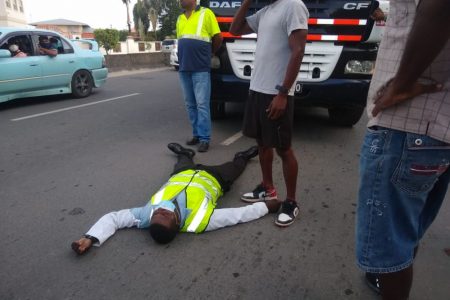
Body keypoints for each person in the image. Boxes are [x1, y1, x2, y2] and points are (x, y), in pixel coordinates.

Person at [356, 0, 450, 299]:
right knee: (405, 232)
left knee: (390, 248)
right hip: (435, 126)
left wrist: (401, 83)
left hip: (407, 124)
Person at [71, 143, 281, 254]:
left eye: (157, 214)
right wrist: (268, 207)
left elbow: (114, 219)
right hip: (214, 179)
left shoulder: (145, 215)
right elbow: (238, 215)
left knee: (182, 160)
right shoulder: (199, 221)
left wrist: (91, 237)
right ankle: (244, 155)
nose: (161, 211)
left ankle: (185, 152)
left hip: (181, 176)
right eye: (166, 215)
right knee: (236, 167)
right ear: (177, 223)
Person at [229, 0, 308, 227]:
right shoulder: (265, 12)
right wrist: (246, 3)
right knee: (262, 143)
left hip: (276, 91)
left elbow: (298, 50)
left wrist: (283, 93)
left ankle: (291, 201)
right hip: (257, 88)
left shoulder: (293, 5)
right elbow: (234, 30)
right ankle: (267, 188)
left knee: (283, 148)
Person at [176, 0, 223, 153]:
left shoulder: (206, 13)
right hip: (184, 68)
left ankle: (204, 139)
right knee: (190, 104)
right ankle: (196, 134)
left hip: (201, 68)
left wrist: (210, 53)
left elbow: (218, 37)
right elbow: (182, 41)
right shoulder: (179, 18)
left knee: (202, 104)